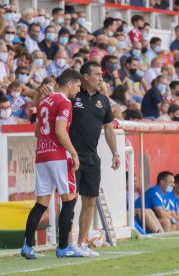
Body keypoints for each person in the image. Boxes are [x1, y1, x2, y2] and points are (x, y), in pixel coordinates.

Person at [21, 69, 84, 259]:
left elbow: (36, 132)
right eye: (78, 86)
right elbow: (60, 131)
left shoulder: (43, 103)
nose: (78, 91)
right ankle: (64, 247)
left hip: (42, 155)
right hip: (58, 155)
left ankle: (27, 246)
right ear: (69, 84)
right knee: (69, 199)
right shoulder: (64, 102)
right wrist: (74, 153)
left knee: (41, 204)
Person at [69, 61, 120, 256]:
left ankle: (82, 243)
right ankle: (67, 244)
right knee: (69, 202)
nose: (101, 78)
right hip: (71, 156)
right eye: (97, 74)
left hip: (91, 157)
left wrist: (115, 152)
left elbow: (108, 129)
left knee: (89, 201)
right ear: (85, 77)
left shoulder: (103, 101)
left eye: (101, 75)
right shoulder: (72, 95)